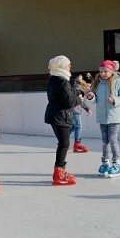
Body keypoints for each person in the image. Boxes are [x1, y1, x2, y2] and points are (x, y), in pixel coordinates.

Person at [89, 60, 120, 178]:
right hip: (102, 116)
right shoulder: (97, 83)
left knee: (112, 139)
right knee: (104, 140)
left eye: (106, 71)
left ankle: (117, 164)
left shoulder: (118, 82)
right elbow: (95, 99)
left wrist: (115, 100)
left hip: (115, 116)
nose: (103, 73)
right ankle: (105, 163)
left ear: (112, 71)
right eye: (101, 71)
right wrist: (91, 97)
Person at [44, 55, 82, 186]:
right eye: (68, 64)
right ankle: (58, 172)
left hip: (54, 114)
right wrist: (80, 99)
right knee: (64, 144)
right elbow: (69, 101)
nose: (70, 66)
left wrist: (76, 94)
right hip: (60, 116)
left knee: (63, 143)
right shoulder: (63, 81)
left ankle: (59, 171)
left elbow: (65, 96)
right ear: (61, 66)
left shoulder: (54, 79)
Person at [71, 74, 93, 153]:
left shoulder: (81, 88)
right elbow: (80, 100)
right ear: (84, 82)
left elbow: (82, 100)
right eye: (89, 83)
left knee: (73, 127)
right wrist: (87, 108)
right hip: (74, 109)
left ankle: (63, 142)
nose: (90, 85)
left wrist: (87, 108)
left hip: (75, 109)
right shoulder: (78, 88)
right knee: (78, 127)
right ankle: (76, 145)